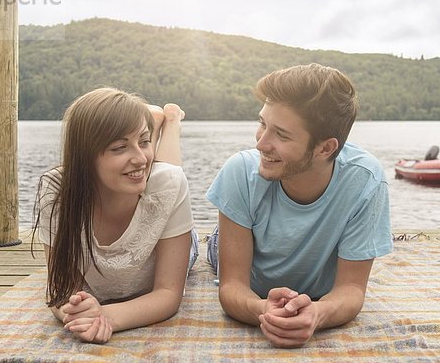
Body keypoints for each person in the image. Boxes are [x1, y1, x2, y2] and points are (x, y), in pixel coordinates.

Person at [206, 63, 392, 348]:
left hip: (302, 270)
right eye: (262, 124)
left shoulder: (365, 181)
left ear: (325, 148)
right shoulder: (240, 172)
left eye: (281, 135)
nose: (261, 143)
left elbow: (352, 289)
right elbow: (232, 286)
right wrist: (261, 309)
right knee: (210, 249)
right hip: (242, 242)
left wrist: (318, 313)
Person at [32, 87, 198, 344]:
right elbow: (61, 288)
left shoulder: (169, 184)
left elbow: (168, 292)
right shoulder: (56, 191)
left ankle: (170, 122)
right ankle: (148, 123)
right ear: (84, 156)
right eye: (120, 147)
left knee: (167, 175)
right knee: (151, 171)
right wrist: (76, 311)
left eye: (144, 141)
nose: (141, 157)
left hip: (166, 235)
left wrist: (106, 316)